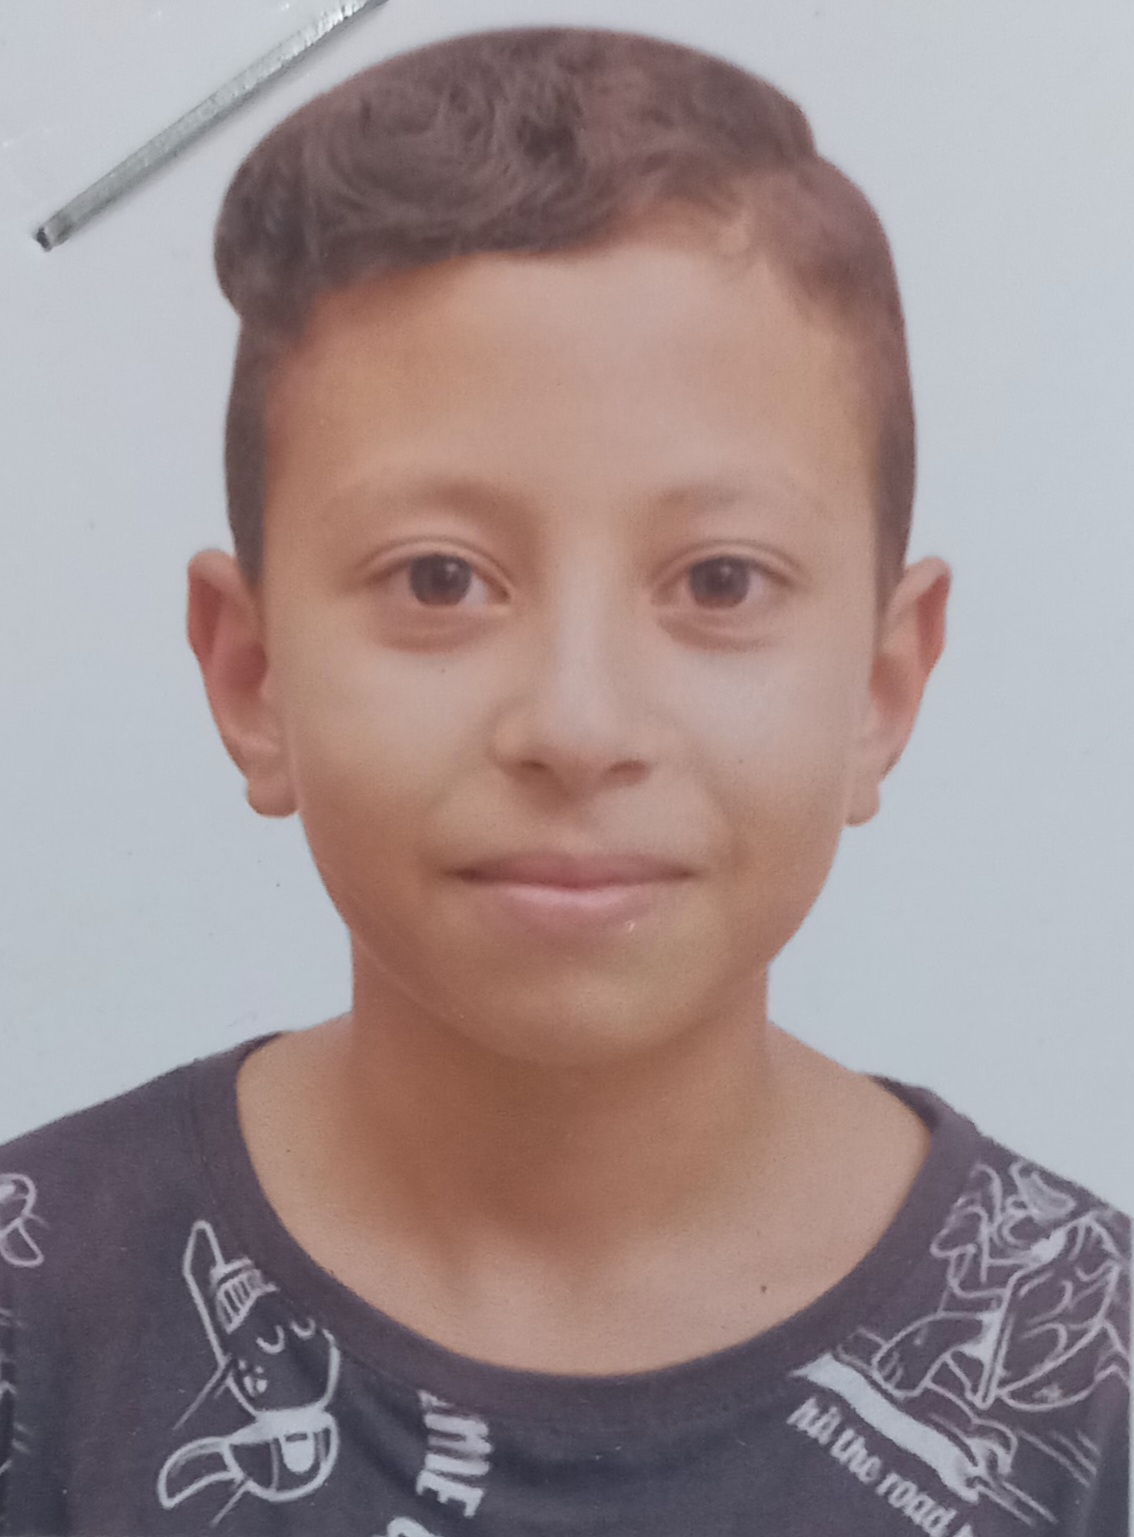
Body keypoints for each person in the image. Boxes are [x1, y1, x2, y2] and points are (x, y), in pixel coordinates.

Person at [0, 26, 1127, 1536]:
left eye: (718, 580)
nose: (578, 725)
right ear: (253, 676)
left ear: (880, 685)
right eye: (440, 578)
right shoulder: (36, 1317)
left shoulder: (1091, 1386)